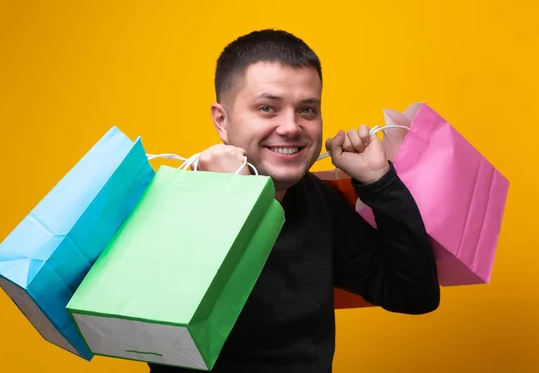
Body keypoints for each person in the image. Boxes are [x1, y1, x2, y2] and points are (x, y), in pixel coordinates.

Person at [149, 29, 440, 373]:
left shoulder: (316, 199)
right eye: (267, 108)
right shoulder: (174, 204)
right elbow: (159, 339)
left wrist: (378, 181)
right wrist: (231, 208)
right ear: (222, 120)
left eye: (307, 110)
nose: (291, 127)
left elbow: (413, 294)